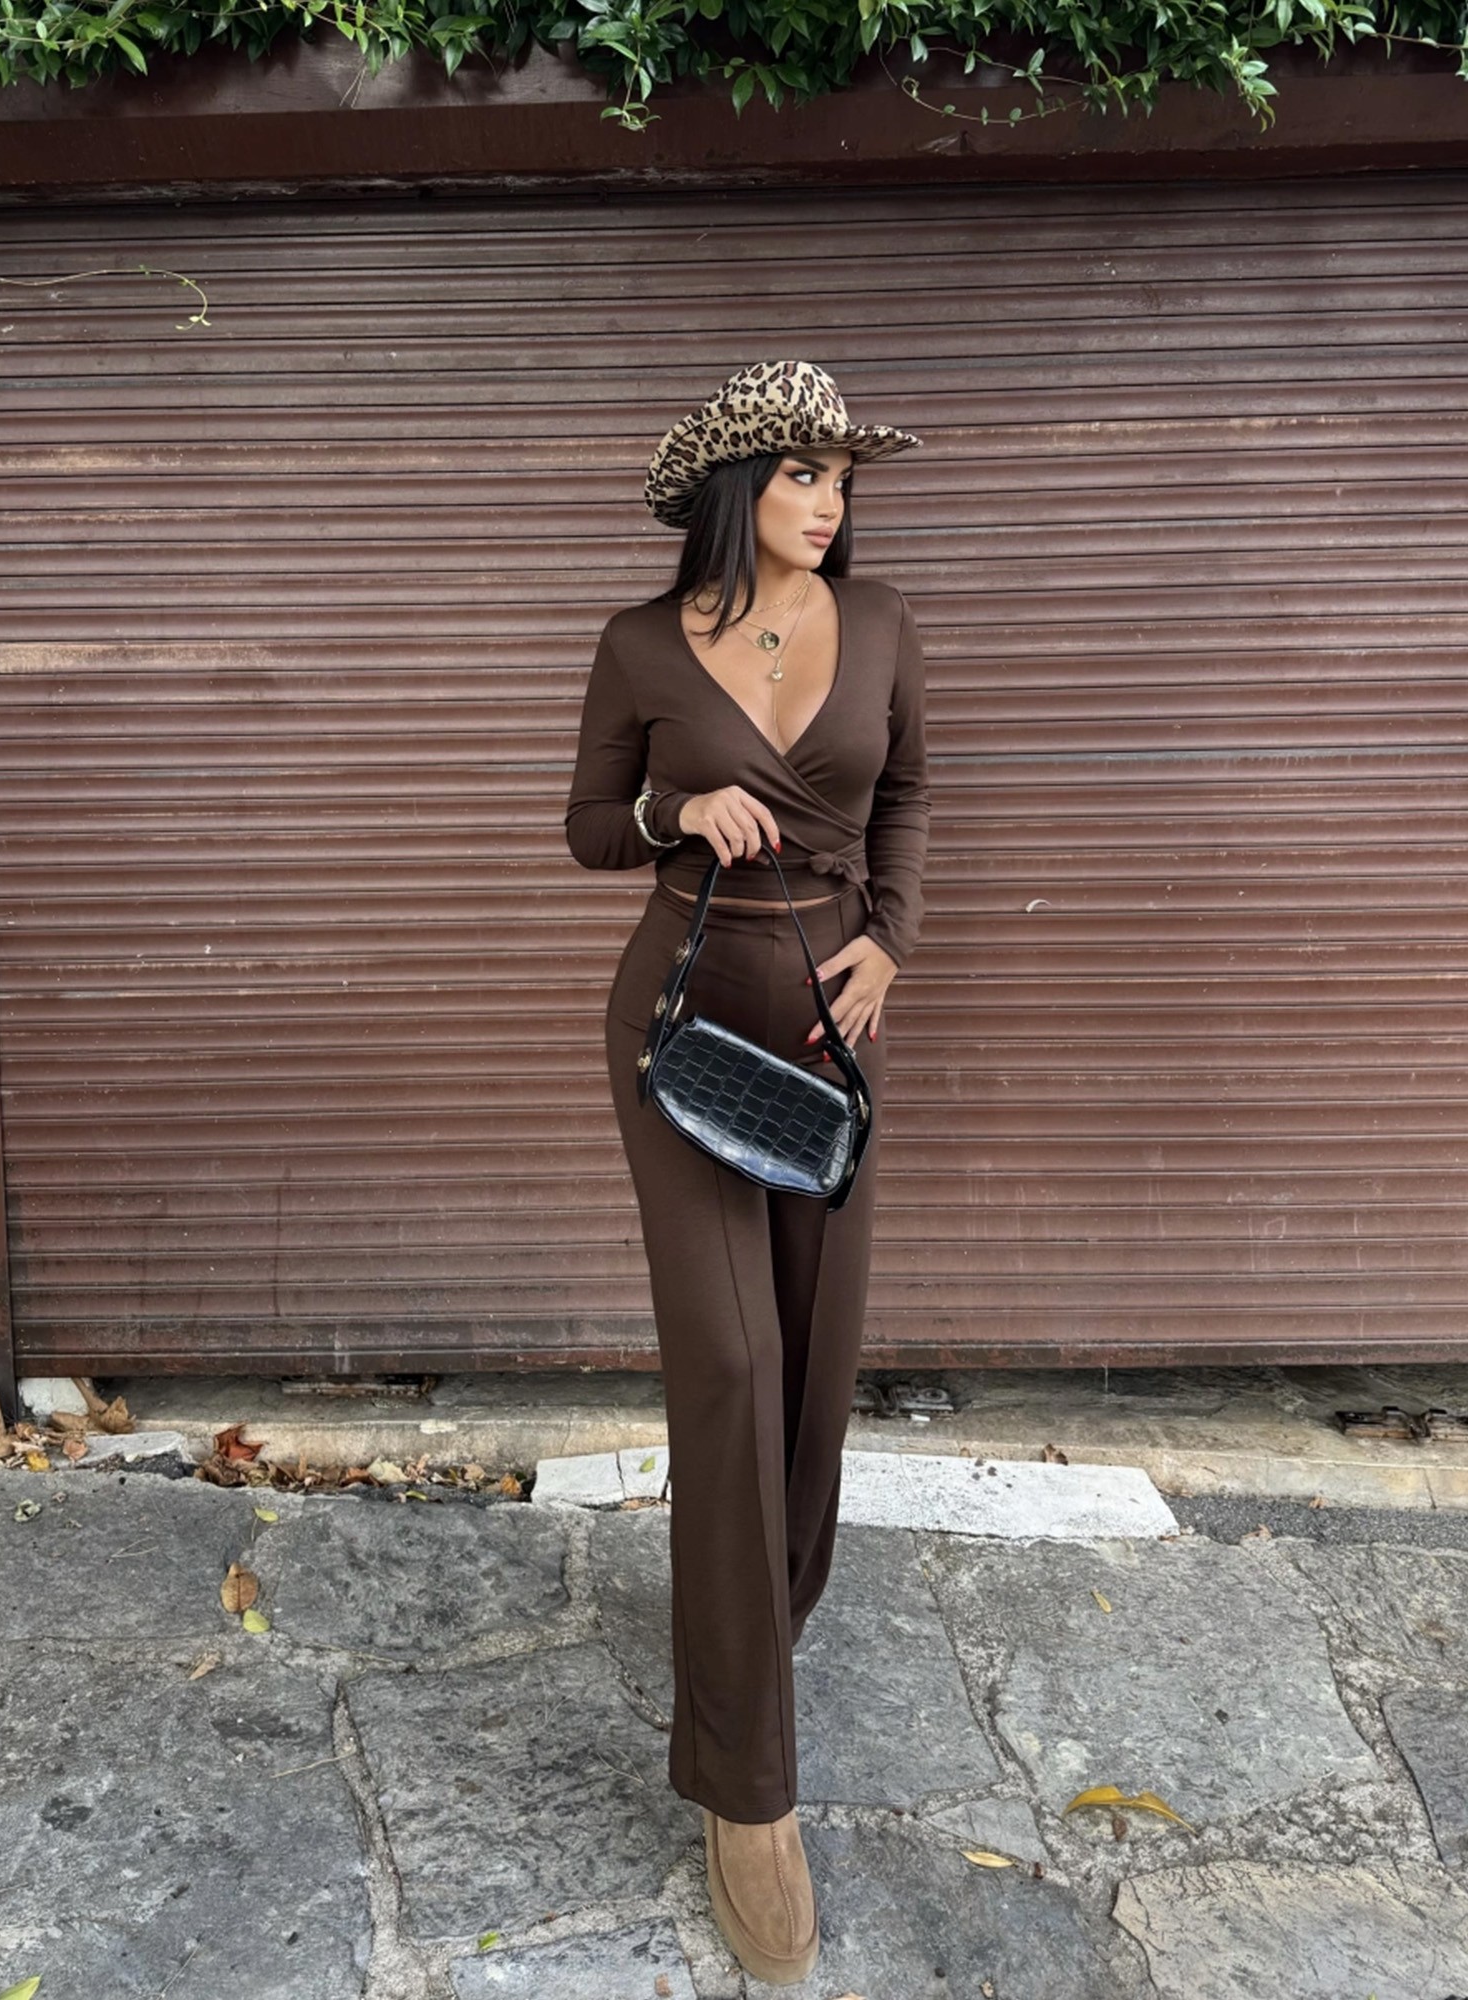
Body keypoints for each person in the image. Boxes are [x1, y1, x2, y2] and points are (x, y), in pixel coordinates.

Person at [563, 359, 930, 1987]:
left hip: (830, 1030)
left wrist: (892, 942)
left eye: (843, 478)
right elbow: (587, 822)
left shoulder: (888, 624)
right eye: (802, 474)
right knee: (729, 1364)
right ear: (736, 490)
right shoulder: (641, 645)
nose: (830, 502)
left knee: (815, 1376)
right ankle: (745, 1787)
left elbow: (910, 794)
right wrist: (674, 803)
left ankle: (749, 1644)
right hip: (684, 1019)